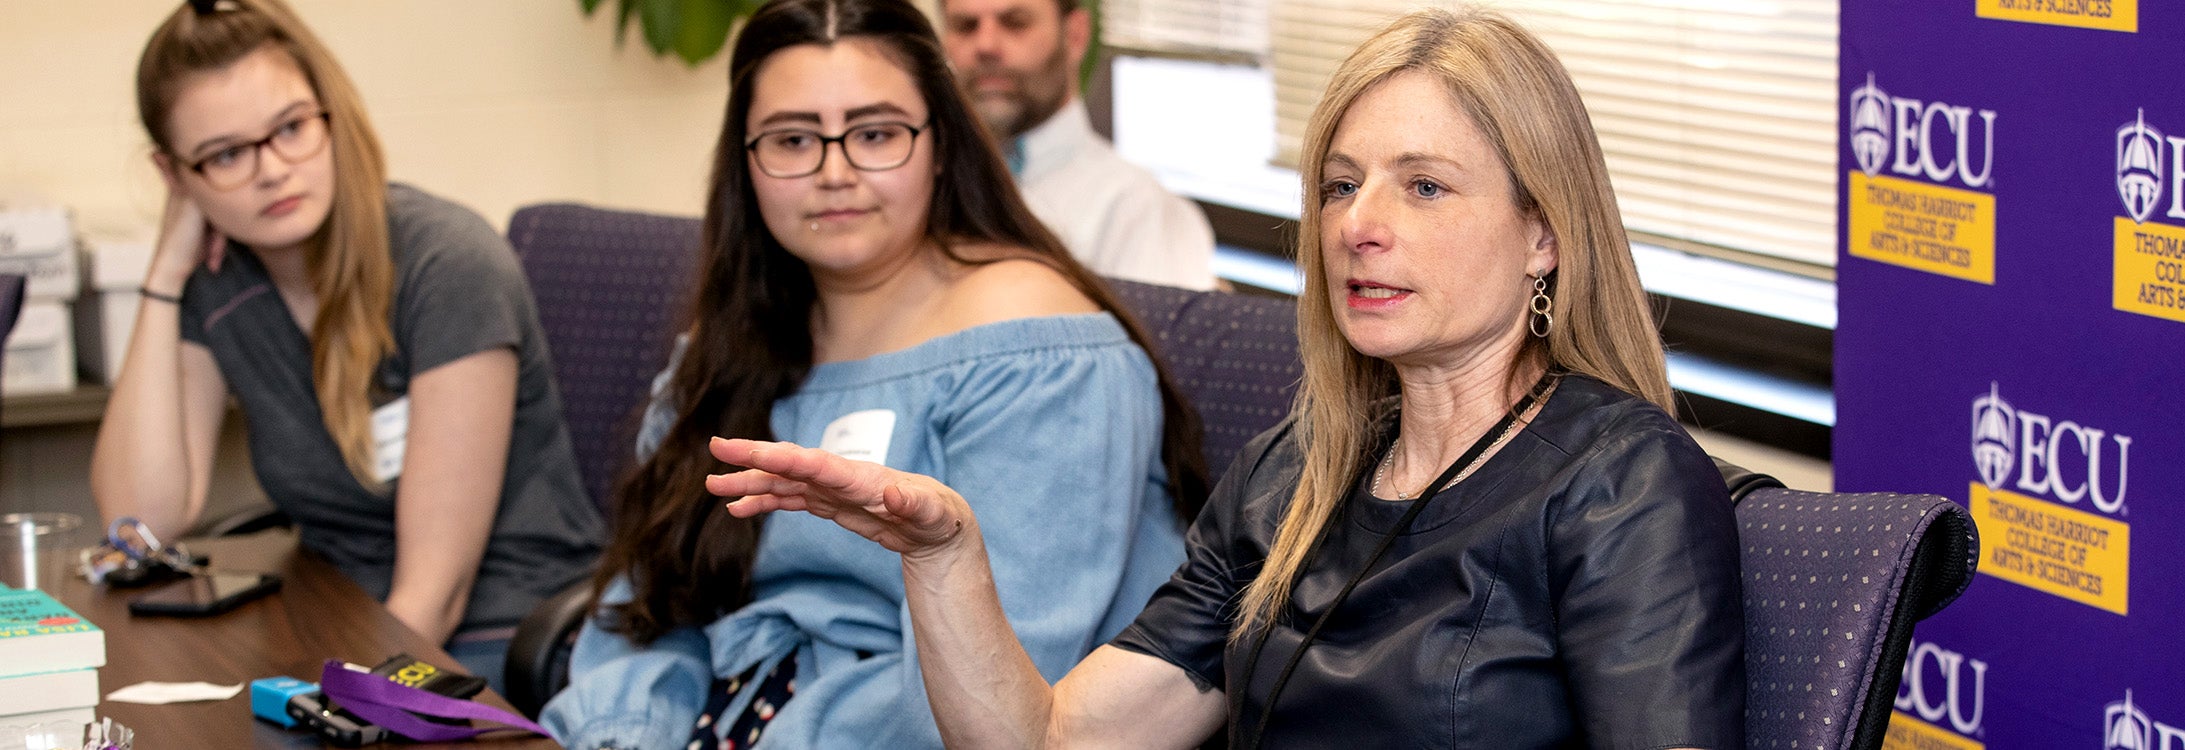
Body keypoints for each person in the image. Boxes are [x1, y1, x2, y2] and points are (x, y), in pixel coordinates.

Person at [709, 7, 1746, 748]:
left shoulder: (1622, 484)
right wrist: (944, 556)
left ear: (1543, 237)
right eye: (1340, 186)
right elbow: (1050, 741)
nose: (1358, 225)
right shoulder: (1289, 474)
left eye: (1423, 186)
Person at [536, 0, 1209, 747]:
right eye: (792, 140)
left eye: (876, 134)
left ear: (943, 145)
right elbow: (649, 601)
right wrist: (620, 734)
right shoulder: (732, 340)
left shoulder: (1036, 349)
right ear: (745, 163)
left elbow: (998, 702)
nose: (833, 172)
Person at [89, 0, 604, 691]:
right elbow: (138, 524)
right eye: (226, 155)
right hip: (333, 614)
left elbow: (435, 594)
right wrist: (165, 272)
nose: (272, 170)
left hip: (494, 640)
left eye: (291, 129)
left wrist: (339, 702)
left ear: (332, 116)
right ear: (175, 174)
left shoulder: (447, 264)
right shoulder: (223, 284)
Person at [941, 0, 1219, 290]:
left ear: (1075, 35)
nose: (985, 45)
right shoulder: (927, 189)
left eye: (1016, 23)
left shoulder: (1138, 210)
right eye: (965, 27)